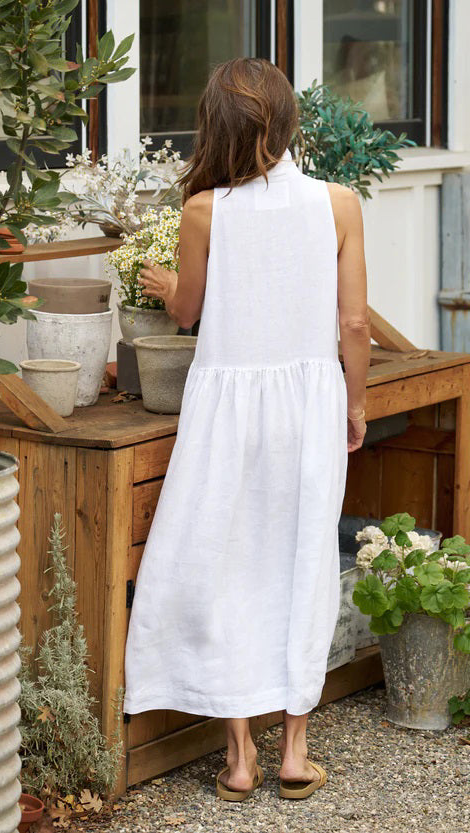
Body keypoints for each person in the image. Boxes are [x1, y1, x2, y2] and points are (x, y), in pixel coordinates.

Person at [123, 57, 370, 802]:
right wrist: (354, 405)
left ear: (216, 128)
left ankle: (239, 759)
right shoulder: (339, 204)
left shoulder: (205, 211)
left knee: (224, 559)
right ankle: (295, 750)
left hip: (226, 411)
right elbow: (354, 322)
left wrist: (165, 285)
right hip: (309, 404)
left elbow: (188, 312)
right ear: (287, 123)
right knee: (302, 560)